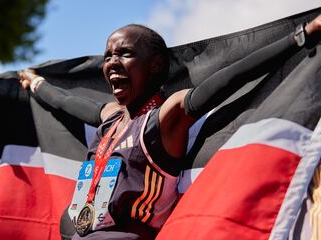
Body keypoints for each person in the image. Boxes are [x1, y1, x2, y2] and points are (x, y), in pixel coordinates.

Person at [19, 15, 321, 239]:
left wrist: (301, 36)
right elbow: (65, 102)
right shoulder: (111, 116)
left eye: (125, 53)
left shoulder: (165, 117)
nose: (112, 62)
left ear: (155, 65)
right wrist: (36, 84)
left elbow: (231, 78)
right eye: (108, 55)